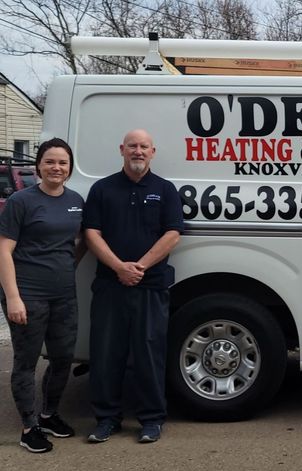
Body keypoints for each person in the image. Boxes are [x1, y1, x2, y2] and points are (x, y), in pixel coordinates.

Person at [83, 129, 183, 444]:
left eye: (143, 147)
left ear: (153, 152)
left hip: (150, 285)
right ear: (121, 150)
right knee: (105, 354)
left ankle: (151, 420)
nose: (137, 151)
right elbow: (91, 234)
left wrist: (139, 266)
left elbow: (173, 234)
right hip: (110, 286)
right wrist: (118, 267)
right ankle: (106, 419)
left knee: (149, 354)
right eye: (132, 146)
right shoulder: (102, 189)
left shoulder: (165, 190)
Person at [0, 138, 85, 453]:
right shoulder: (22, 201)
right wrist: (13, 297)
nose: (56, 168)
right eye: (50, 161)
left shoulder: (75, 200)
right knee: (26, 361)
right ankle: (28, 427)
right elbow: (4, 250)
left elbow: (80, 241)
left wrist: (66, 265)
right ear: (38, 166)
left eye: (62, 162)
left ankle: (49, 415)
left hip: (64, 295)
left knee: (63, 357)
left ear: (69, 167)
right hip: (28, 295)